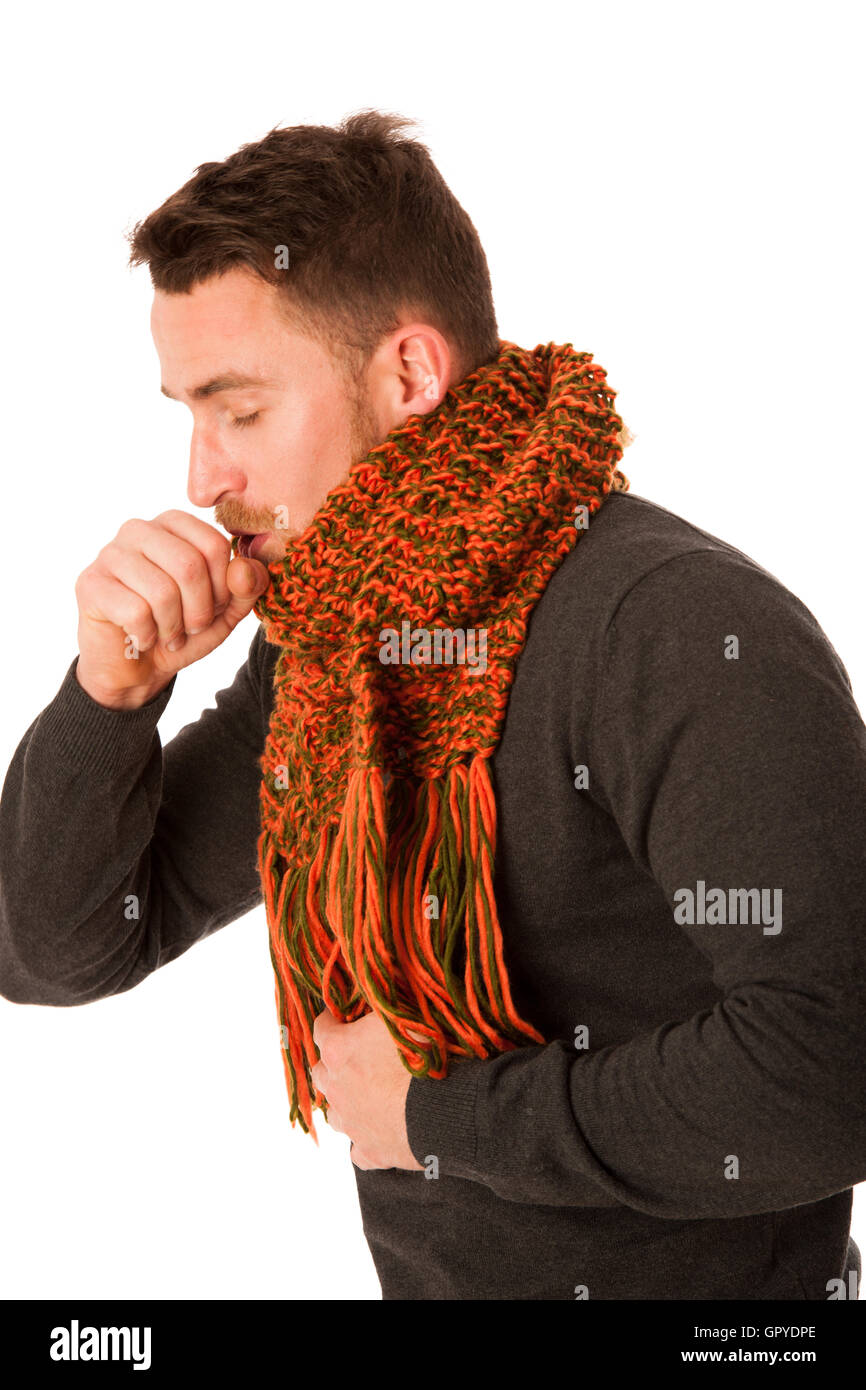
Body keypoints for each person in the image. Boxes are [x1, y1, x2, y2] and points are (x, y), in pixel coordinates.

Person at [1, 109, 864, 1301]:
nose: (202, 478)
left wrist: (443, 1115)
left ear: (407, 372)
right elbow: (51, 949)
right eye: (186, 415)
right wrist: (109, 696)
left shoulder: (671, 630)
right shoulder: (334, 652)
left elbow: (828, 1071)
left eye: (239, 409)